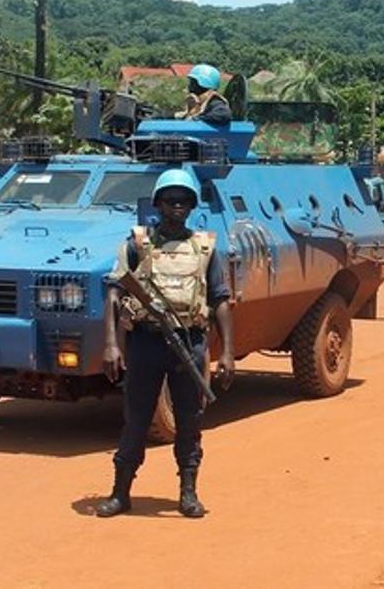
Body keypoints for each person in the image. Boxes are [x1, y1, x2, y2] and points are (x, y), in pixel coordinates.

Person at [97, 169, 235, 518]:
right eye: (171, 200)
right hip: (145, 343)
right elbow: (113, 291)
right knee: (136, 419)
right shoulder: (138, 245)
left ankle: (188, 492)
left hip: (189, 343)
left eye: (184, 200)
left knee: (189, 421)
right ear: (157, 203)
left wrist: (228, 352)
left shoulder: (204, 248)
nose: (178, 206)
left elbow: (220, 299)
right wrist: (111, 344)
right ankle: (120, 492)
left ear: (192, 206)